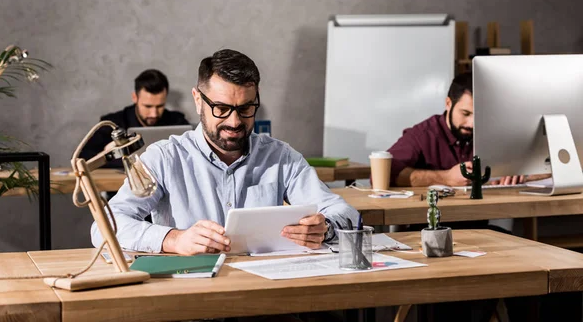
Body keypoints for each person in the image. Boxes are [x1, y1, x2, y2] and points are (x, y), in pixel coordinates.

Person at [91, 49, 359, 254]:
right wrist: (174, 239)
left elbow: (346, 213)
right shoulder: (162, 158)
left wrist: (326, 228)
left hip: (261, 299)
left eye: (245, 109)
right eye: (221, 108)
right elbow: (103, 227)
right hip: (190, 302)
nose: (234, 122)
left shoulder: (281, 157)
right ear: (198, 100)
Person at [388, 72, 524, 188]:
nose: (472, 124)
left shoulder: (491, 132)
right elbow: (384, 174)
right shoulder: (422, 135)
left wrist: (518, 171)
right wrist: (445, 178)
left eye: (479, 115)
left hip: (480, 215)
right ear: (448, 104)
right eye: (465, 113)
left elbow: (541, 167)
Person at [81, 69, 189, 168]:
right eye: (148, 106)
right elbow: (82, 158)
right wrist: (109, 155)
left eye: (160, 106)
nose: (154, 114)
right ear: (134, 98)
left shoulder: (177, 121)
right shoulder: (114, 123)